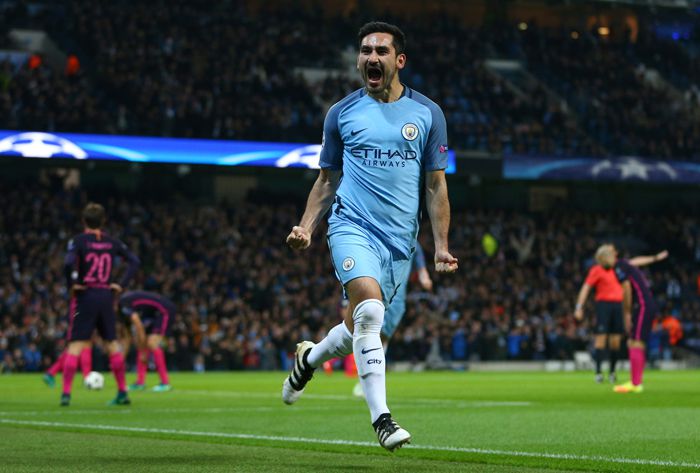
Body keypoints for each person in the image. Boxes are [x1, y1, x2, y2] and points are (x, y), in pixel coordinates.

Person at [282, 21, 458, 452]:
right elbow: (326, 181)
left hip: (400, 241)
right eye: (365, 51)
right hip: (351, 225)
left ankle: (309, 359)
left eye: (381, 51)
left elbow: (436, 186)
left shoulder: (427, 114)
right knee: (371, 311)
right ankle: (382, 419)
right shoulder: (341, 113)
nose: (371, 58)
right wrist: (306, 226)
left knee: (355, 324)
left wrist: (441, 246)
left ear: (399, 60)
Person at [60, 203, 140, 406]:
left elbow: (68, 263)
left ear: (83, 221)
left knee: (76, 344)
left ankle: (66, 394)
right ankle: (122, 391)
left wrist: (72, 285)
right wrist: (120, 285)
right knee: (112, 344)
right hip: (106, 295)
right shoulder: (112, 242)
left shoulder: (78, 241)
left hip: (86, 295)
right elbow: (134, 261)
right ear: (103, 221)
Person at [353, 242, 432, 397]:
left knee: (383, 337)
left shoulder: (411, 240)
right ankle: (367, 379)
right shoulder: (382, 233)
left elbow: (418, 251)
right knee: (370, 333)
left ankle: (370, 377)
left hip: (397, 298)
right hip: (377, 291)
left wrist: (423, 273)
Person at [613, 250, 668, 393]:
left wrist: (626, 313)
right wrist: (655, 257)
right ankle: (635, 382)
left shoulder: (619, 266)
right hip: (647, 304)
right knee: (635, 342)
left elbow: (627, 290)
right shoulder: (625, 264)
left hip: (643, 305)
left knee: (635, 342)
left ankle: (636, 384)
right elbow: (637, 261)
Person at [574, 244, 624, 383]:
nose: (616, 254)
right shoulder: (596, 270)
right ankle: (598, 372)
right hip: (604, 306)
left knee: (615, 341)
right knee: (601, 339)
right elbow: (585, 288)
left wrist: (654, 258)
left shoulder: (619, 269)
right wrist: (579, 307)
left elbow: (635, 263)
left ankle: (613, 372)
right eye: (612, 252)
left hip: (618, 305)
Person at [119, 290, 176, 392]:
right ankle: (140, 382)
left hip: (164, 310)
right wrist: (120, 360)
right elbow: (128, 338)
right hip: (153, 313)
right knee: (142, 343)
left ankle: (165, 383)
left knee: (151, 343)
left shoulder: (124, 304)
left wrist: (144, 353)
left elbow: (139, 327)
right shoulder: (122, 312)